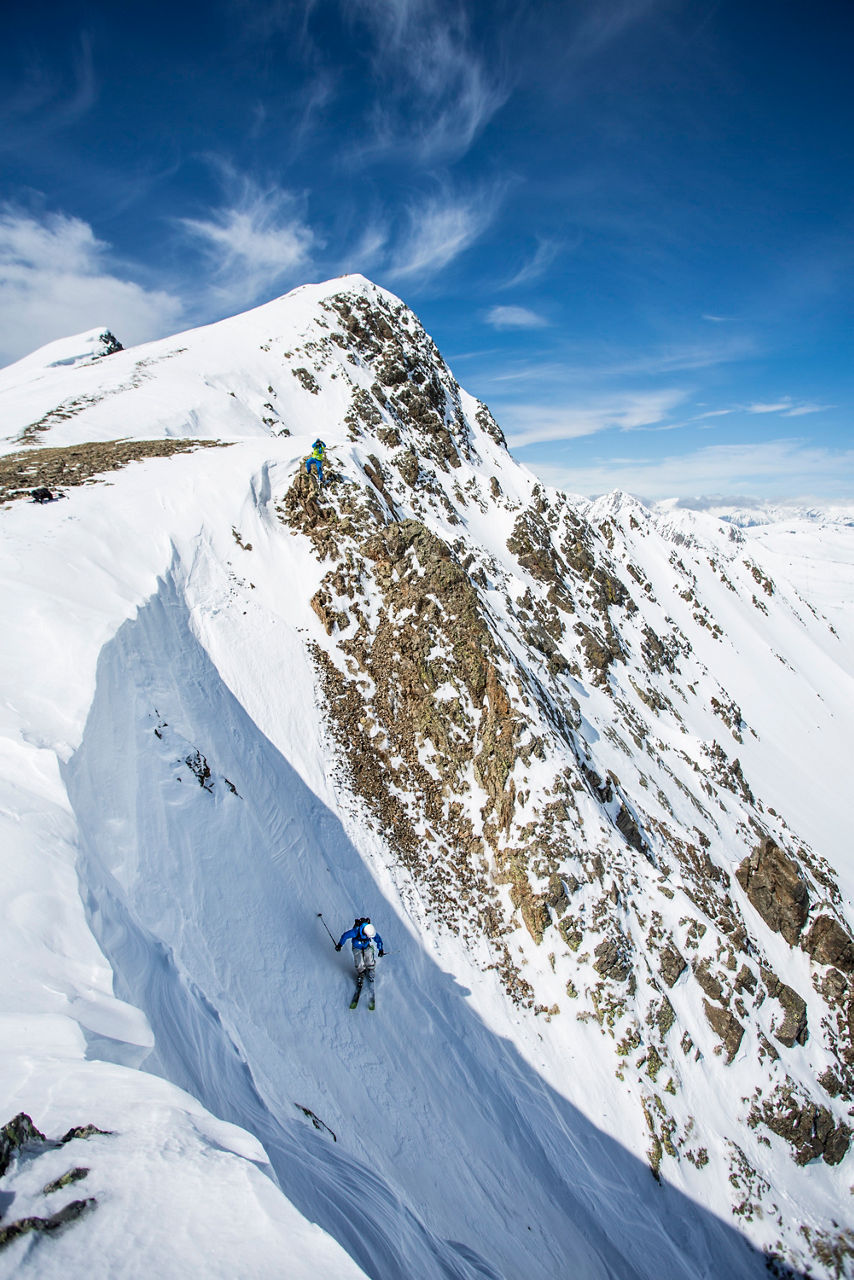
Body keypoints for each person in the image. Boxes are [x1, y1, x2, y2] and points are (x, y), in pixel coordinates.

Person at [336, 917, 384, 991]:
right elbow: (345, 936)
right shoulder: (356, 931)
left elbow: (378, 939)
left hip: (366, 946)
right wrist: (340, 945)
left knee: (369, 956)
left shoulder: (371, 931)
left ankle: (371, 969)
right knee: (359, 960)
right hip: (357, 947)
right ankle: (361, 973)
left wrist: (381, 949)